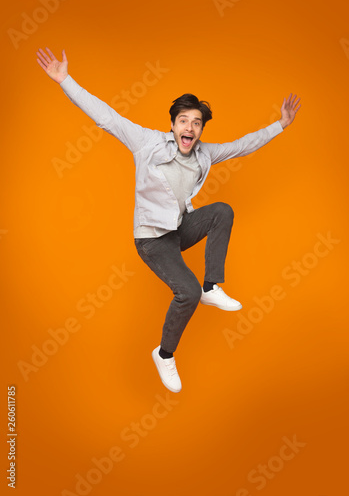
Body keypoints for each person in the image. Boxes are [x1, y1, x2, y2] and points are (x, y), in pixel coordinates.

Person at [36, 47, 301, 394]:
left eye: (196, 123)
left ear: (201, 129)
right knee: (185, 292)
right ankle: (164, 355)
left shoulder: (205, 152)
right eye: (183, 121)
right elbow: (107, 116)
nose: (189, 128)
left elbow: (242, 145)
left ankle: (212, 286)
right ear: (173, 125)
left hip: (178, 229)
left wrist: (279, 125)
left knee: (222, 210)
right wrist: (65, 80)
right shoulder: (146, 143)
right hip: (151, 239)